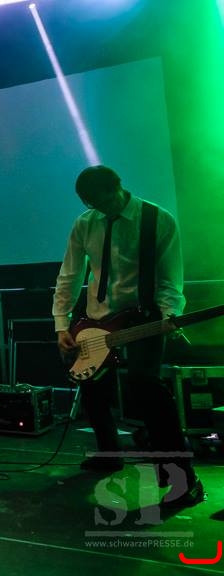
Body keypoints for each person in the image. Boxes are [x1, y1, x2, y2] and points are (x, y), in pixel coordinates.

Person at [52, 165, 202, 507]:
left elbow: (170, 277)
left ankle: (183, 478)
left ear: (117, 187)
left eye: (102, 201)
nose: (99, 209)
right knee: (92, 386)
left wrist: (171, 314)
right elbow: (70, 274)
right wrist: (62, 324)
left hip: (143, 318)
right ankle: (109, 454)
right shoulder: (85, 223)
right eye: (90, 204)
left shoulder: (157, 220)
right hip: (96, 319)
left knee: (146, 386)